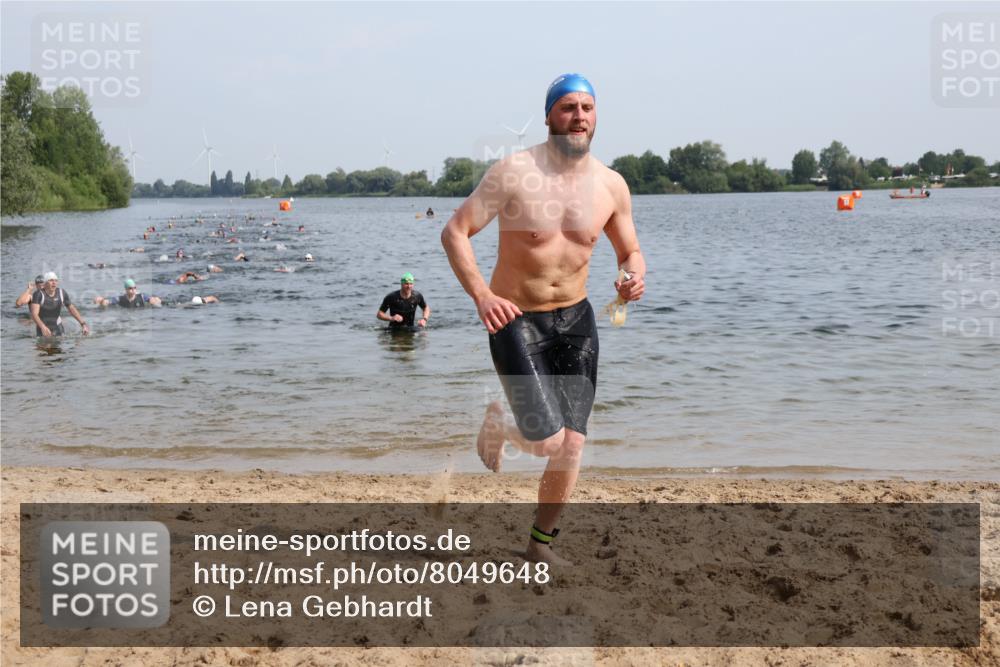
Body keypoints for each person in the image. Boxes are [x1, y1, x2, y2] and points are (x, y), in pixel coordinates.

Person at [441, 73, 645, 565]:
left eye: (587, 108)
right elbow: (455, 232)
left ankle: (540, 545)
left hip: (576, 321)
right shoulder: (514, 173)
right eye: (568, 107)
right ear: (550, 115)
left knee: (573, 444)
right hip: (516, 319)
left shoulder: (611, 185)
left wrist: (632, 277)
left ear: (596, 116)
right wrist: (482, 295)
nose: (579, 116)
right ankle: (500, 427)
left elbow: (630, 251)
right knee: (550, 439)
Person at [29, 272, 90, 337]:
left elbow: (72, 309)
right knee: (43, 343)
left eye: (56, 280)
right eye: (51, 280)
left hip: (58, 327)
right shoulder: (38, 294)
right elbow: (34, 314)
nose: (54, 283)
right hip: (42, 328)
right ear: (45, 283)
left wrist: (83, 324)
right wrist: (42, 327)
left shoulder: (61, 293)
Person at [94, 279, 162, 307]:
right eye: (130, 288)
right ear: (126, 289)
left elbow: (154, 300)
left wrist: (155, 300)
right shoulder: (120, 299)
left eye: (134, 288)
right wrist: (101, 300)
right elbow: (107, 302)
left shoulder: (142, 296)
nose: (133, 290)